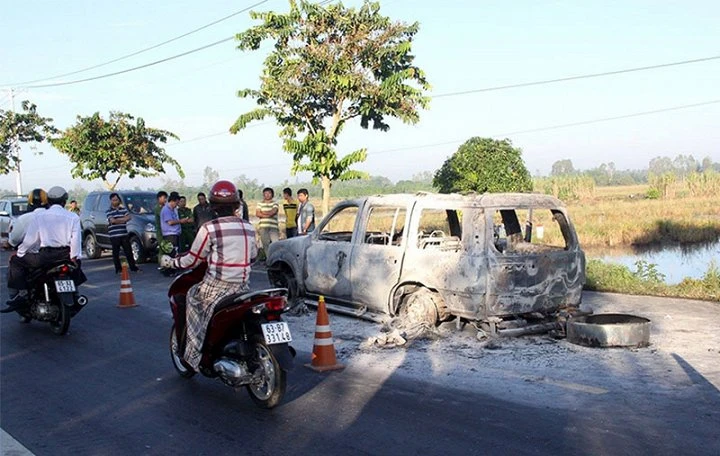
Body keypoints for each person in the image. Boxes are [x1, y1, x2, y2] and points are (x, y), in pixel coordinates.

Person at [160, 180, 257, 371]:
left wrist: (171, 262)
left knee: (192, 297)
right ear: (237, 205)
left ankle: (193, 355)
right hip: (243, 287)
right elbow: (253, 256)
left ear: (212, 206)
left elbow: (192, 260)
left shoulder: (209, 228)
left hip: (217, 287)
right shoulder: (248, 227)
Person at [4, 186, 83, 311]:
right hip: (66, 254)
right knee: (76, 268)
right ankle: (76, 293)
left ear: (49, 201)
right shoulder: (73, 217)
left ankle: (22, 295)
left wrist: (20, 253)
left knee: (15, 261)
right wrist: (74, 257)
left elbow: (31, 239)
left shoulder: (39, 217)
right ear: (64, 201)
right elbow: (76, 240)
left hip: (46, 256)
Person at [106, 192, 140, 274]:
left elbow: (129, 217)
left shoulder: (123, 209)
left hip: (124, 234)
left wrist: (118, 220)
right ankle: (118, 269)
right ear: (111, 201)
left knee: (128, 252)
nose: (115, 201)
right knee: (116, 253)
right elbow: (112, 220)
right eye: (113, 200)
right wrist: (123, 219)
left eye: (117, 200)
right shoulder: (109, 211)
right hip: (114, 235)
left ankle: (133, 268)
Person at [255, 187, 279, 257]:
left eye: (269, 193)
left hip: (273, 227)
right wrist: (268, 214)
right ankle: (268, 259)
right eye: (265, 193)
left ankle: (276, 259)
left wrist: (262, 213)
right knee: (265, 245)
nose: (267, 195)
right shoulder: (259, 203)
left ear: (272, 194)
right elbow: (257, 214)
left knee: (275, 244)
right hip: (263, 227)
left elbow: (273, 212)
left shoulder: (275, 203)